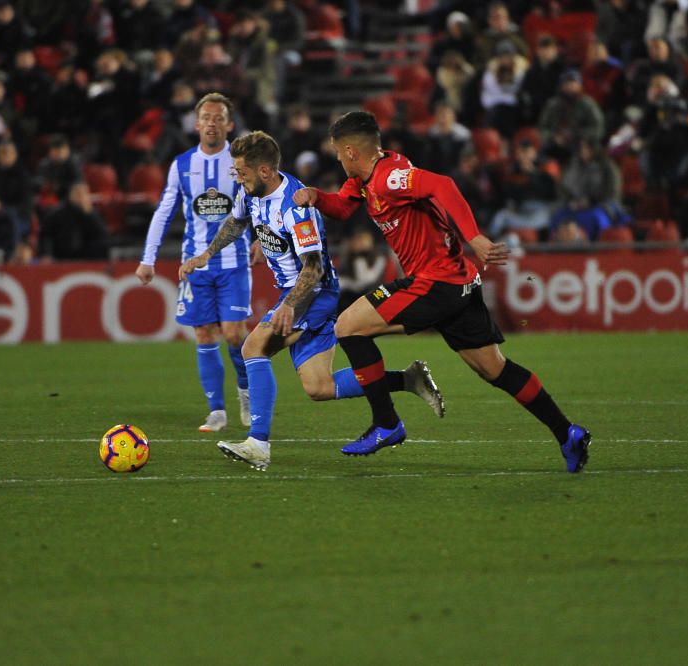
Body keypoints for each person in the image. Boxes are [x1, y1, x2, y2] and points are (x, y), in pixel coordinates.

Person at [292, 111, 591, 473]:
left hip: (434, 283)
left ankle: (386, 423)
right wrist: (315, 197)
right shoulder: (367, 178)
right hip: (458, 283)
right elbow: (340, 206)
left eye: (339, 153)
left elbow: (444, 185)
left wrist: (475, 238)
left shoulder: (391, 178)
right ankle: (567, 432)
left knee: (348, 327)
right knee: (494, 369)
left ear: (352, 151)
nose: (337, 159)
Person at [181, 130, 446, 470]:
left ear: (264, 171)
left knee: (253, 348)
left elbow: (315, 267)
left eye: (242, 173)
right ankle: (407, 379)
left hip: (312, 294)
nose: (238, 178)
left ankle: (258, 443)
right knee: (319, 387)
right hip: (296, 294)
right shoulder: (251, 193)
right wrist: (206, 254)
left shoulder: (295, 206)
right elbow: (235, 223)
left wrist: (290, 305)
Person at [136, 93, 252, 432]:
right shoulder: (183, 164)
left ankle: (244, 391)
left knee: (233, 334)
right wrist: (148, 259)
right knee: (203, 334)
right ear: (197, 124)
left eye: (219, 118)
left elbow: (262, 202)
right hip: (195, 265)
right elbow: (164, 211)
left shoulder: (241, 161)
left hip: (234, 260)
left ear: (229, 125)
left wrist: (262, 240)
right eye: (206, 117)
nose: (212, 123)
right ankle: (217, 411)